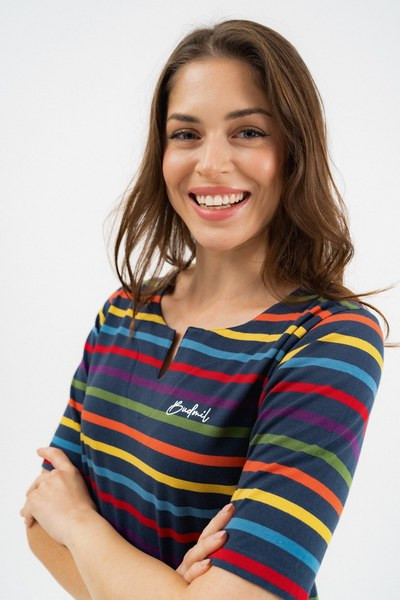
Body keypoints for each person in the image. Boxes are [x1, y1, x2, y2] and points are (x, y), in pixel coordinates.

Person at [21, 19, 385, 600]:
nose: (211, 164)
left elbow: (64, 520)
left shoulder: (329, 338)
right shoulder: (123, 313)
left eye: (248, 132)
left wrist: (82, 523)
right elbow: (41, 520)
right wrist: (167, 589)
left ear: (294, 151)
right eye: (186, 133)